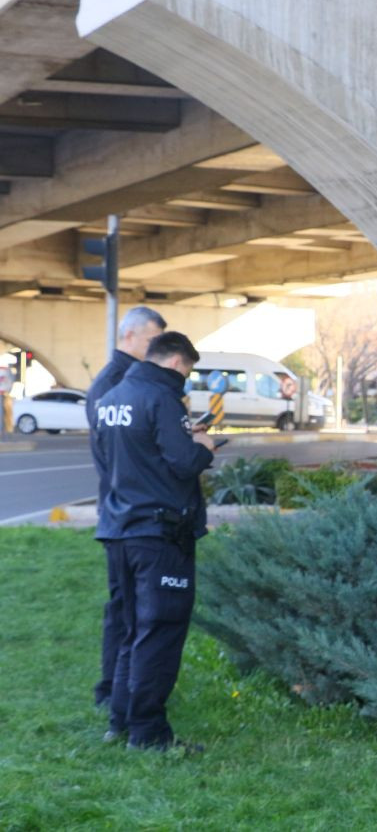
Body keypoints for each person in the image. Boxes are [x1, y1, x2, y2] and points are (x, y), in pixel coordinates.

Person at [94, 332, 217, 750]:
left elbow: (118, 460)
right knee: (160, 631)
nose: (184, 378)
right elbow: (183, 464)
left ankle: (121, 721)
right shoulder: (161, 396)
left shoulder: (111, 399)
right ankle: (149, 734)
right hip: (160, 534)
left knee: (132, 630)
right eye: (187, 371)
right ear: (177, 363)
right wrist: (203, 446)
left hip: (119, 529)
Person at [85, 306, 167, 711]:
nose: (158, 350)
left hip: (124, 511)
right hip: (125, 514)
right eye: (153, 341)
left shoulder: (128, 381)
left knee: (132, 607)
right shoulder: (114, 385)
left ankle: (127, 690)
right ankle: (112, 691)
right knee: (123, 608)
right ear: (129, 336)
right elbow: (114, 457)